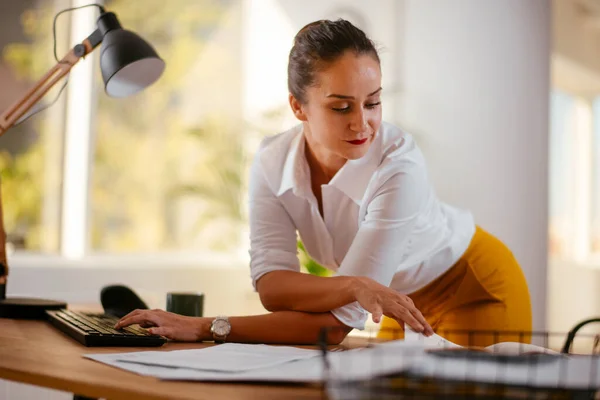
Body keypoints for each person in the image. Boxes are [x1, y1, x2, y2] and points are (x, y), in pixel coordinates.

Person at [116, 19, 532, 347]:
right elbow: (273, 286)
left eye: (373, 103)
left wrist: (207, 326)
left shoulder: (398, 166)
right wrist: (353, 286)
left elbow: (335, 327)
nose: (361, 123)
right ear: (298, 106)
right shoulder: (271, 163)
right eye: (340, 107)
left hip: (470, 284)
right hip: (391, 303)